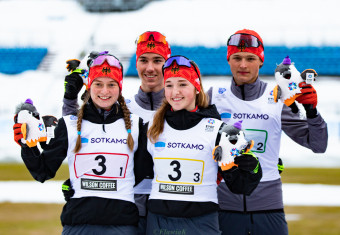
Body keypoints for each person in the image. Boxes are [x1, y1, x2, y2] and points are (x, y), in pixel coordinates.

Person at [13, 52, 151, 234]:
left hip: (122, 225)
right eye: (98, 84)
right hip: (78, 225)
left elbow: (142, 171)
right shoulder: (69, 124)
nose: (104, 91)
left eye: (111, 84)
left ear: (120, 87)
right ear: (89, 85)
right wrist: (27, 145)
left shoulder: (136, 125)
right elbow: (42, 171)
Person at [207, 29, 328, 235]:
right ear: (228, 59)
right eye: (237, 57)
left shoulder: (278, 98)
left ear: (260, 61)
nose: (243, 65)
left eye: (250, 58)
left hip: (268, 208)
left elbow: (318, 145)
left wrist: (312, 111)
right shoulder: (213, 97)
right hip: (223, 208)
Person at [62, 31, 171, 235]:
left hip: (167, 210)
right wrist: (83, 183)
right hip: (126, 213)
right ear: (135, 64)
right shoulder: (121, 109)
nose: (150, 68)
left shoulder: (180, 107)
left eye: (157, 60)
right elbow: (78, 127)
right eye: (143, 60)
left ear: (167, 64)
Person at [146, 55, 262, 235]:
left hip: (201, 223)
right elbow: (136, 172)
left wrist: (253, 168)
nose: (175, 91)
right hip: (159, 223)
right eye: (169, 85)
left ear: (197, 87)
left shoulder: (219, 130)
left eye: (182, 84)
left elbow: (241, 186)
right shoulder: (152, 129)